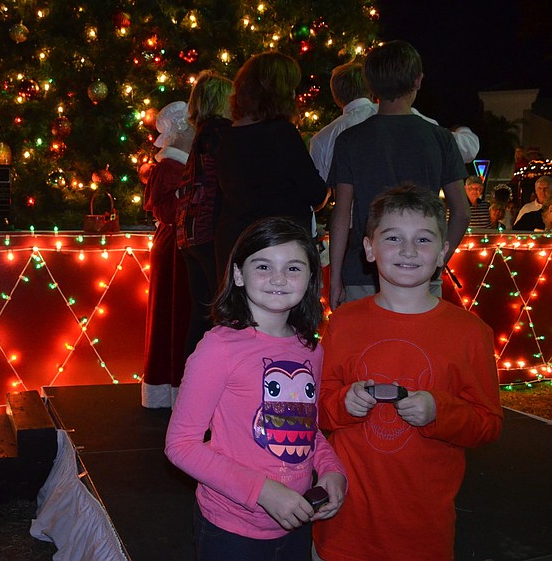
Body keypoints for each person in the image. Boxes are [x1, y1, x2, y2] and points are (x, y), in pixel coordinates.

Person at [312, 185, 503, 561]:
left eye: (424, 239)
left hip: (423, 533)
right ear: (369, 248)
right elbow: (314, 410)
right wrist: (342, 402)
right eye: (393, 237)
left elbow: (487, 423)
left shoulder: (470, 333)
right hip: (344, 529)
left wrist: (439, 411)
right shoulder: (344, 323)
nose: (409, 251)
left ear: (443, 252)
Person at [166, 216, 346, 561]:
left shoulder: (311, 349)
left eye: (294, 268)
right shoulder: (219, 348)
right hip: (231, 529)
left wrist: (332, 470)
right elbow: (181, 445)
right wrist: (263, 492)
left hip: (295, 520)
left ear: (311, 278)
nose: (278, 278)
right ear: (238, 274)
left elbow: (305, 428)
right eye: (263, 265)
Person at [327, 40, 470, 310]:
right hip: (420, 269)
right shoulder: (439, 138)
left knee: (368, 348)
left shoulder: (350, 140)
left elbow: (341, 213)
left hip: (363, 268)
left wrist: (335, 278)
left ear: (370, 85)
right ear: (417, 80)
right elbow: (461, 212)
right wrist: (437, 259)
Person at [215, 52, 327, 279]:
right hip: (278, 248)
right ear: (279, 93)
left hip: (236, 245)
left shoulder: (227, 137)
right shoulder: (281, 133)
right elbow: (315, 192)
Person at [309, 62, 479, 182]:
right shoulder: (403, 115)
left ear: (336, 97)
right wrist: (464, 131)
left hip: (354, 225)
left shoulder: (323, 139)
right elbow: (465, 149)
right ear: (371, 87)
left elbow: (321, 191)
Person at [175, 70, 234, 361]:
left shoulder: (202, 133)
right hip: (211, 232)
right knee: (220, 312)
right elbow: (227, 183)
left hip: (189, 233)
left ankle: (191, 385)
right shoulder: (220, 132)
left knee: (200, 313)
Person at [142, 100, 195, 408]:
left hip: (180, 244)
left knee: (180, 313)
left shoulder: (179, 165)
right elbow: (172, 210)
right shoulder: (169, 168)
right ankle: (171, 385)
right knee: (174, 312)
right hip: (175, 246)